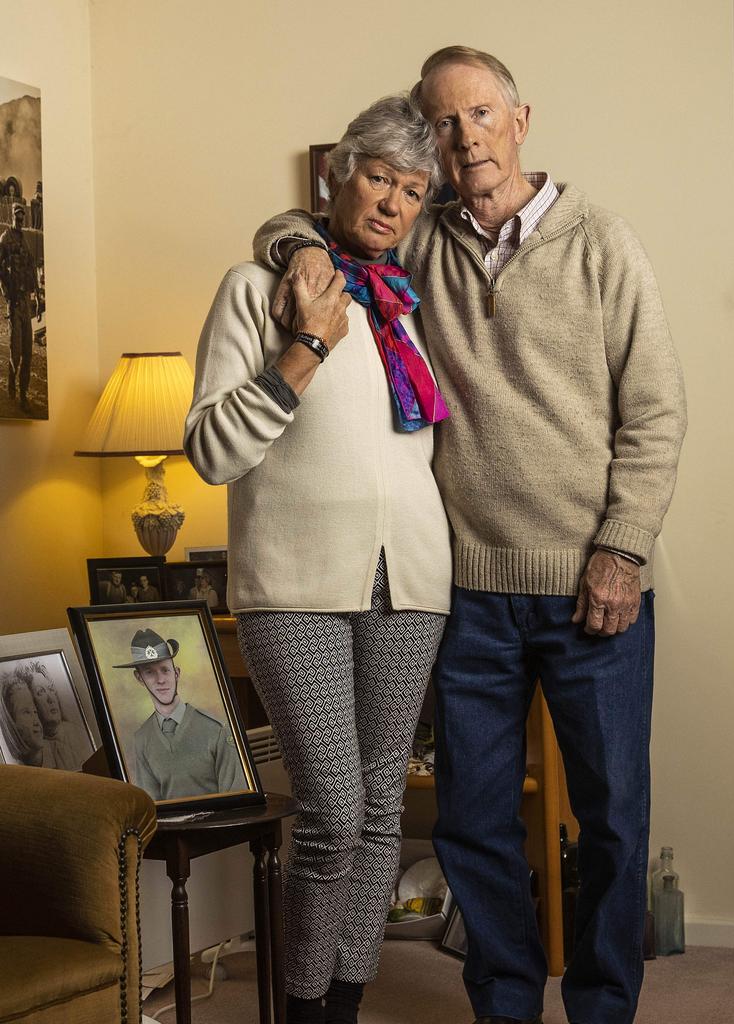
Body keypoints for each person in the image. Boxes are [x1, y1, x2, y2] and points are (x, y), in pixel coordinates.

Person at [253, 47, 687, 1024]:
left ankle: (606, 1002)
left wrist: (624, 547)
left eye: (481, 115)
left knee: (614, 816)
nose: (465, 138)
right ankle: (503, 1002)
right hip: (467, 593)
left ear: (521, 120)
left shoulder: (601, 241)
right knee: (473, 822)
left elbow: (656, 411)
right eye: (443, 124)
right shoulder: (419, 244)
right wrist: (300, 249)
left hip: (594, 584)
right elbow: (304, 221)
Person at [185, 94, 452, 1024]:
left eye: (413, 191)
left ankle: (343, 1000)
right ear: (340, 171)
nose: (392, 204)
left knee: (383, 813)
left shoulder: (407, 309)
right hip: (293, 583)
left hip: (412, 581)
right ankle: (302, 1008)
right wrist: (302, 349)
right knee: (332, 813)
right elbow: (213, 450)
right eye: (379, 177)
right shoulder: (258, 288)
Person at [114, 627, 247, 801]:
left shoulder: (217, 729)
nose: (160, 680)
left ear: (177, 673)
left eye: (165, 670)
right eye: (149, 672)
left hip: (216, 826)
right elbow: (150, 807)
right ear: (139, 678)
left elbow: (236, 801)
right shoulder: (142, 739)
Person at [0, 202, 42, 412]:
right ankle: (11, 386)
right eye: (17, 216)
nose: (20, 219)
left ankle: (23, 394)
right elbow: (0, 271)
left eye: (22, 217)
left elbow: (32, 267)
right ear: (12, 216)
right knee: (15, 352)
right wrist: (8, 296)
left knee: (27, 351)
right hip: (15, 303)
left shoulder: (24, 240)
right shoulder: (5, 239)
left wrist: (38, 296)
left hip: (26, 302)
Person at [22, 660, 92, 771]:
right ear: (32, 702)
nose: (50, 698)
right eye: (41, 692)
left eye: (50, 689)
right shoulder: (36, 750)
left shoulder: (79, 734)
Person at [0, 672, 53, 767]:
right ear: (11, 724)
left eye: (35, 711)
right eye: (26, 712)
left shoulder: (61, 752)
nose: (36, 722)